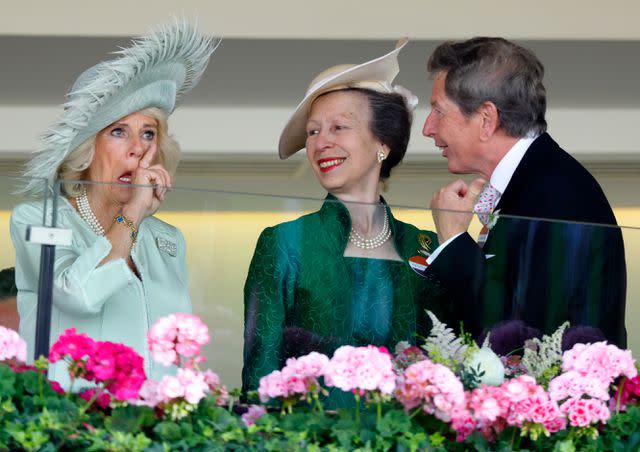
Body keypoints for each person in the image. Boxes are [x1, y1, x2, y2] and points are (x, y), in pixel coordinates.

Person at [242, 39, 461, 402]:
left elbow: (448, 365)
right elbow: (259, 377)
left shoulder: (425, 245)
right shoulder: (285, 242)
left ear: (383, 144)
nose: (320, 143)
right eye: (313, 131)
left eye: (339, 127)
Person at [10, 21, 219, 384]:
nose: (138, 148)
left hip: (153, 425)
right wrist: (132, 214)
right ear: (87, 148)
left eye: (148, 133)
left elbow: (175, 346)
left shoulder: (167, 239)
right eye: (119, 131)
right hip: (73, 423)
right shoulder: (38, 218)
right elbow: (78, 295)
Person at [422, 37, 627, 347]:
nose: (427, 128)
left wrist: (453, 244)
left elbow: (527, 338)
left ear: (487, 120)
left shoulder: (556, 193)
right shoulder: (534, 182)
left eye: (438, 111)